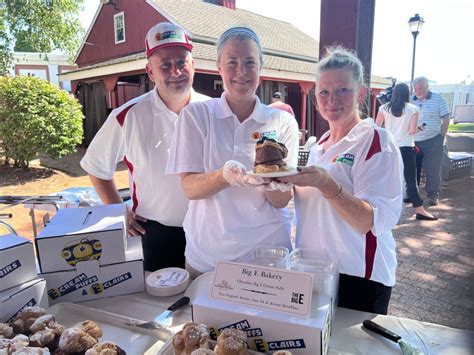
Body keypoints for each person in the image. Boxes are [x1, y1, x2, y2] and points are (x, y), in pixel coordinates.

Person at [166, 27, 299, 278]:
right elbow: (190, 189)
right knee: (202, 319)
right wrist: (225, 176)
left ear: (261, 66)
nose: (241, 71)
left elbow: (282, 200)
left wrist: (273, 184)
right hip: (208, 258)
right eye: (232, 62)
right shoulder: (197, 116)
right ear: (219, 66)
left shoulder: (282, 122)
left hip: (268, 258)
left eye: (250, 62)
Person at [280, 47, 403, 314]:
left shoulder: (376, 140)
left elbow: (368, 222)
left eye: (342, 90)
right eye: (324, 91)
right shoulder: (319, 146)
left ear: (360, 93)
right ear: (315, 97)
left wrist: (327, 185)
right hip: (313, 274)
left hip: (357, 277)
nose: (331, 99)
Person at [80, 22, 209, 272]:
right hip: (155, 235)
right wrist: (119, 209)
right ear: (150, 72)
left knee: (209, 304)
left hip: (210, 232)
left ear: (193, 66)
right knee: (158, 307)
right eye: (165, 65)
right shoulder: (127, 116)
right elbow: (96, 168)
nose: (176, 71)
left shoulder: (213, 111)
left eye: (182, 62)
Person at [376, 83, 437, 221]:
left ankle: (379, 207)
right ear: (407, 93)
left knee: (385, 179)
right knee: (410, 180)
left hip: (389, 147)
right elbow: (411, 131)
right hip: (406, 148)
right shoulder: (413, 109)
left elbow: (377, 128)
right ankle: (420, 210)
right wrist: (420, 128)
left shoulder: (384, 108)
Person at [411, 76, 450, 206]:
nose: (418, 91)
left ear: (428, 87)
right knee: (412, 169)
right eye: (415, 88)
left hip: (433, 141)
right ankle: (413, 194)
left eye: (421, 88)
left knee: (433, 169)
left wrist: (441, 137)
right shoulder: (410, 100)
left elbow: (446, 119)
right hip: (414, 141)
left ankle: (433, 195)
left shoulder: (438, 99)